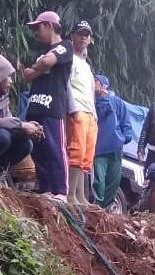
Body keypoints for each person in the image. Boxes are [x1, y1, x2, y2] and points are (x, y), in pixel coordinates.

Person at [21, 11, 73, 201]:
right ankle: (45, 188)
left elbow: (47, 62)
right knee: (39, 149)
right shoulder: (42, 52)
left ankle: (60, 191)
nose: (36, 32)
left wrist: (38, 67)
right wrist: (40, 67)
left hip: (52, 107)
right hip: (35, 106)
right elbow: (26, 75)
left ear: (50, 26)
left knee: (55, 148)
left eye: (38, 27)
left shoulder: (65, 46)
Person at [66, 20, 97, 206]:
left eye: (86, 35)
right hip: (77, 109)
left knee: (87, 156)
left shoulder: (86, 65)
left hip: (90, 112)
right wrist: (73, 108)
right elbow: (67, 85)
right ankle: (71, 194)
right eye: (80, 34)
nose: (84, 37)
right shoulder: (69, 58)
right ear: (73, 36)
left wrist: (94, 113)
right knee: (76, 151)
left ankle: (81, 196)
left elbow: (91, 91)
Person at [92, 75, 133, 209]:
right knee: (99, 179)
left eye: (96, 82)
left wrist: (124, 138)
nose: (93, 84)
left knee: (114, 180)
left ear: (105, 86)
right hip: (99, 147)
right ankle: (98, 204)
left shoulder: (117, 102)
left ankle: (106, 205)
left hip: (115, 146)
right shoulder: (92, 101)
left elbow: (126, 124)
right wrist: (103, 100)